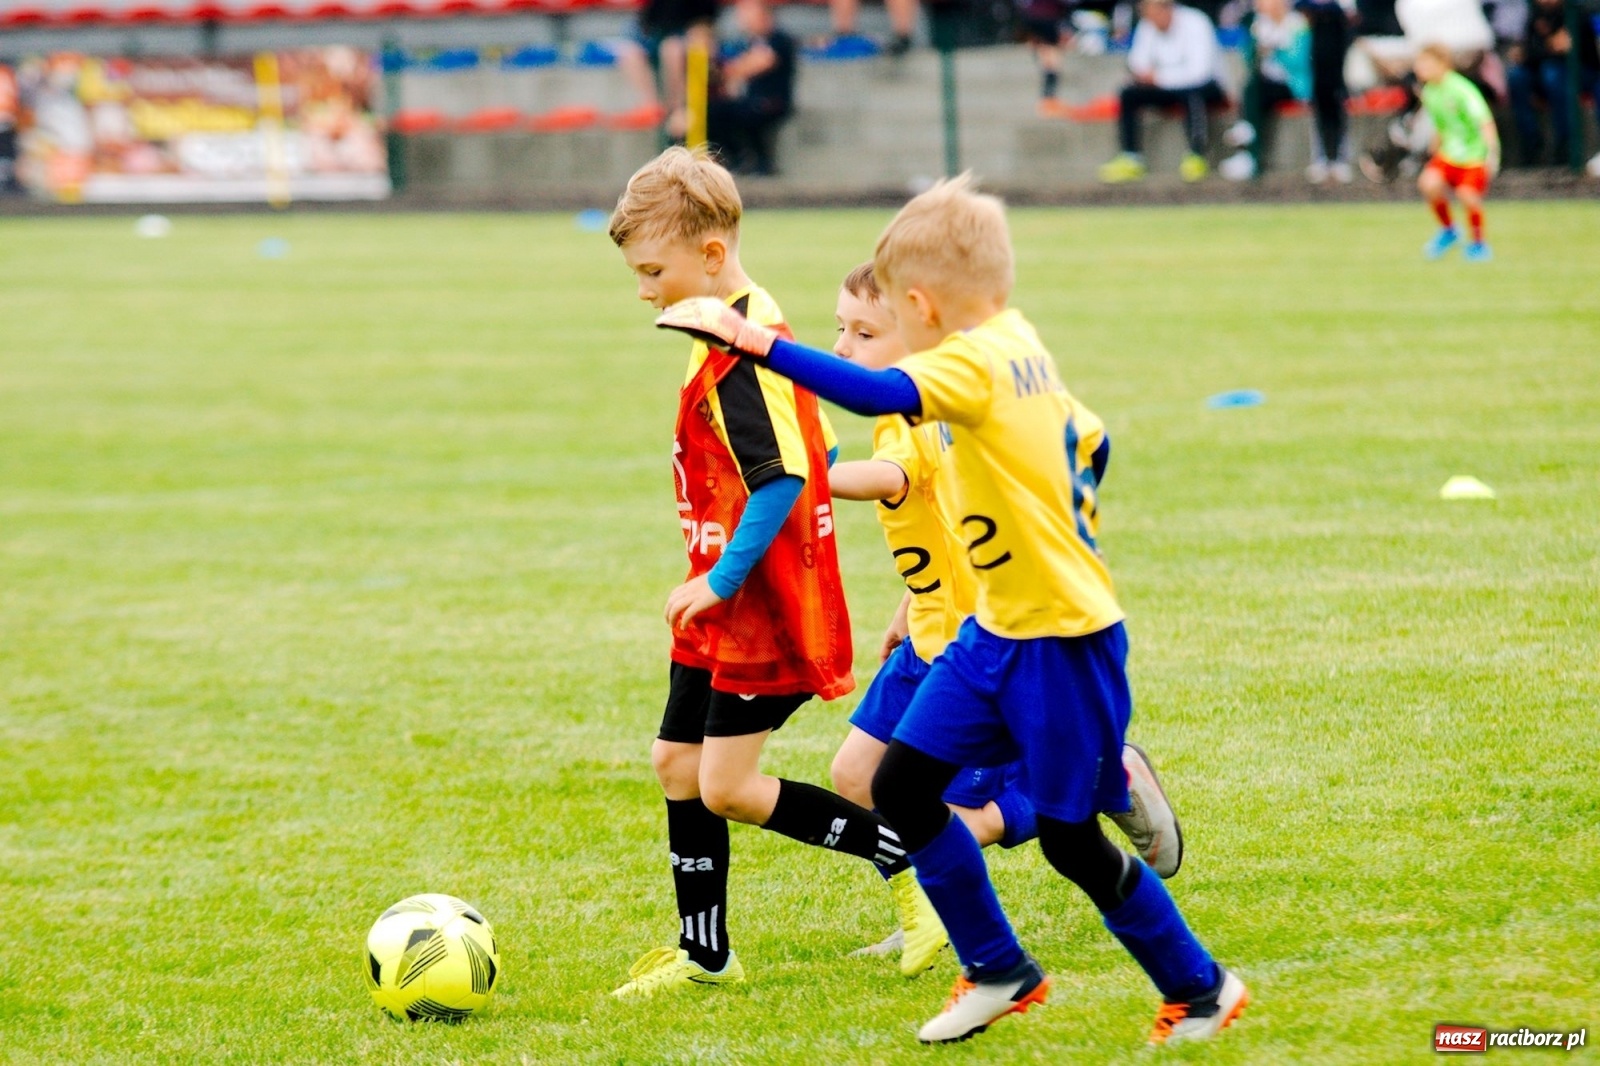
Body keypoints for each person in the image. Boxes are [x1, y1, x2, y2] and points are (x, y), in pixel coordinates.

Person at [655, 174, 1247, 1047]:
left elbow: (874, 397)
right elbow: (1093, 434)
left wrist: (749, 340)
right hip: (991, 631)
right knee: (898, 786)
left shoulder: (969, 359)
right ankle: (1000, 970)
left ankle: (1200, 988)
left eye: (889, 310)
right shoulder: (1019, 342)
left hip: (1060, 639)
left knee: (1071, 840)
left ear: (923, 306)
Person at [605, 147, 941, 999]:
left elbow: (784, 479)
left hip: (764, 608)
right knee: (675, 764)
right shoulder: (720, 324)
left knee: (725, 786)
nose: (643, 288)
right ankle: (706, 954)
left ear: (711, 258)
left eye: (654, 270)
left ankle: (913, 869)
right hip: (725, 603)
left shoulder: (746, 347)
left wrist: (719, 579)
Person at [825, 262, 1186, 964]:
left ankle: (1103, 783)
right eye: (840, 329)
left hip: (982, 646)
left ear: (921, 337)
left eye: (864, 333)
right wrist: (910, 600)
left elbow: (890, 480)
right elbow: (944, 520)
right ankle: (934, 909)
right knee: (856, 776)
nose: (844, 347)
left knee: (960, 814)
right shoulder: (924, 416)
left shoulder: (919, 418)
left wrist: (803, 474)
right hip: (928, 636)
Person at [1100, 0, 1228, 183]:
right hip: (1167, 87)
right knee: (1129, 94)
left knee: (1192, 94)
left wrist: (1158, 77)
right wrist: (1147, 77)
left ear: (1167, 7)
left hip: (1207, 87)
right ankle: (1130, 157)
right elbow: (1138, 63)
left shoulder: (1196, 23)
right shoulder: (1148, 25)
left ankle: (1197, 154)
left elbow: (1200, 73)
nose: (1150, 19)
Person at [1415, 42, 1500, 261]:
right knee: (1428, 183)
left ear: (1442, 63)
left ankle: (1479, 244)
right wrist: (1435, 147)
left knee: (1467, 195)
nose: (1420, 68)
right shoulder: (1430, 91)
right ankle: (1449, 230)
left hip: (1473, 155)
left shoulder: (1462, 89)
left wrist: (1492, 153)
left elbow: (1485, 121)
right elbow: (1441, 124)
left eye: (1426, 63)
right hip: (1449, 154)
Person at [1220, 0, 1313, 180]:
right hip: (1265, 87)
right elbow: (1250, 62)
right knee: (1253, 88)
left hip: (1293, 85)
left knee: (1255, 90)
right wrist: (1257, 47)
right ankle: (1248, 152)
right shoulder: (1259, 26)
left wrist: (1276, 49)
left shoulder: (1297, 24)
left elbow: (1300, 62)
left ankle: (1247, 135)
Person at [707, 0, 798, 176]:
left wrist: (730, 69)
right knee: (714, 111)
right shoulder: (749, 42)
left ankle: (759, 162)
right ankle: (735, 158)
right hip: (752, 100)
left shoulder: (779, 40)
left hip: (773, 101)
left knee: (737, 113)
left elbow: (760, 62)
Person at [1507, 0, 1600, 166]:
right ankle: (1531, 142)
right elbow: (1526, 53)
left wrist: (1543, 49)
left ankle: (1566, 144)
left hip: (1580, 74)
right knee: (1516, 76)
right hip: (1543, 74)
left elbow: (1585, 56)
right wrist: (1547, 47)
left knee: (1553, 74)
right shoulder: (1535, 13)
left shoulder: (1576, 12)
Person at [1296, 0, 1355, 181]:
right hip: (1317, 69)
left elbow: (1348, 14)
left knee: (1337, 112)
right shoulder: (1310, 16)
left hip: (1337, 66)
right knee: (1320, 114)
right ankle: (1322, 158)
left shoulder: (1337, 14)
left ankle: (1340, 158)